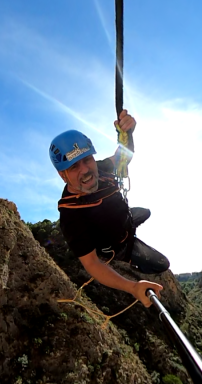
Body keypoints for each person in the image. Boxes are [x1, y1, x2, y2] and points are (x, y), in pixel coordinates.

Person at [50, 110, 169, 308]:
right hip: (119, 245)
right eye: (74, 167)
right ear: (63, 175)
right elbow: (92, 264)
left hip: (124, 219)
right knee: (162, 264)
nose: (86, 170)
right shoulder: (71, 214)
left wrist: (127, 133)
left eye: (87, 160)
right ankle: (129, 255)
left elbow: (123, 157)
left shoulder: (101, 168)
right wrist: (132, 287)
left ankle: (131, 223)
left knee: (145, 211)